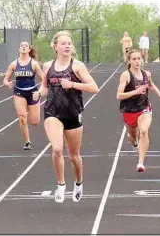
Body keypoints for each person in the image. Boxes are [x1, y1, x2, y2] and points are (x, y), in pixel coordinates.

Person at [33, 31, 98, 203]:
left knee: (74, 155)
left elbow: (94, 87)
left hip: (72, 112)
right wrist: (38, 93)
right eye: (63, 43)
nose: (67, 46)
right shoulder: (48, 66)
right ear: (55, 46)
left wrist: (73, 84)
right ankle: (61, 184)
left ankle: (78, 182)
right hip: (52, 111)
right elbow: (45, 88)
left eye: (69, 43)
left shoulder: (77, 66)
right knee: (56, 149)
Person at [116, 49, 160, 172]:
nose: (137, 61)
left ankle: (140, 162)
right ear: (129, 61)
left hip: (144, 107)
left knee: (144, 131)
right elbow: (119, 95)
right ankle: (134, 143)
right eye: (134, 59)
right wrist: (135, 91)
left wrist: (159, 94)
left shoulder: (146, 74)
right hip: (129, 110)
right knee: (133, 136)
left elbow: (151, 84)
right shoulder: (126, 75)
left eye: (139, 58)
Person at [3, 42, 45, 150]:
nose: (24, 47)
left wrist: (40, 92)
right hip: (19, 92)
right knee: (22, 118)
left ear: (29, 50)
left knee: (34, 121)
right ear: (19, 48)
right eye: (22, 45)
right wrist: (7, 83)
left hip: (32, 92)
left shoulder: (34, 64)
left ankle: (31, 110)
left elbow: (44, 79)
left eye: (26, 46)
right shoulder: (14, 64)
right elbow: (5, 79)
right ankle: (27, 141)